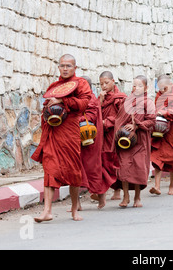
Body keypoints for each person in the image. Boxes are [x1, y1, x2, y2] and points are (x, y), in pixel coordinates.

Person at [31, 54, 92, 222]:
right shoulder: (55, 86)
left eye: (68, 66)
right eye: (62, 66)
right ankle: (47, 211)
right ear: (58, 67)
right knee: (50, 169)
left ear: (75, 68)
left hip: (70, 132)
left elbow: (84, 104)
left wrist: (62, 100)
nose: (65, 69)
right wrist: (50, 107)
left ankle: (74, 209)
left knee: (73, 171)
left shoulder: (81, 84)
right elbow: (47, 105)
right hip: (54, 132)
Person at [113, 75, 156, 208]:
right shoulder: (127, 101)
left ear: (146, 88)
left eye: (139, 86)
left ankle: (137, 197)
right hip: (125, 140)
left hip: (140, 140)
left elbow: (151, 121)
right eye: (134, 85)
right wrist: (120, 130)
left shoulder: (147, 102)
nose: (136, 88)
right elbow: (119, 119)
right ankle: (126, 196)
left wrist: (137, 125)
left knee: (138, 168)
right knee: (124, 167)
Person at [150, 75, 173, 196]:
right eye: (159, 88)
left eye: (164, 88)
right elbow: (156, 108)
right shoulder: (159, 95)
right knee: (157, 157)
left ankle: (172, 186)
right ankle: (157, 186)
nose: (161, 91)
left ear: (170, 85)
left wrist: (165, 112)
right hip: (160, 130)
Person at [78, 76, 105, 209]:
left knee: (93, 169)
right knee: (77, 169)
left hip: (91, 139)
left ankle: (101, 199)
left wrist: (75, 119)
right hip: (79, 138)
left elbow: (90, 116)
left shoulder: (92, 99)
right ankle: (76, 203)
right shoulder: (80, 98)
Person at [99, 71, 127, 201]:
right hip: (102, 134)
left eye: (106, 83)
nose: (104, 86)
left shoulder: (120, 97)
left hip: (114, 133)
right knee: (103, 161)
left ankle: (117, 190)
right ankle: (102, 191)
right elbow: (94, 112)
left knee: (115, 161)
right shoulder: (101, 97)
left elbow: (122, 116)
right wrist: (100, 101)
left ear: (113, 81)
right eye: (101, 84)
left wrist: (107, 121)